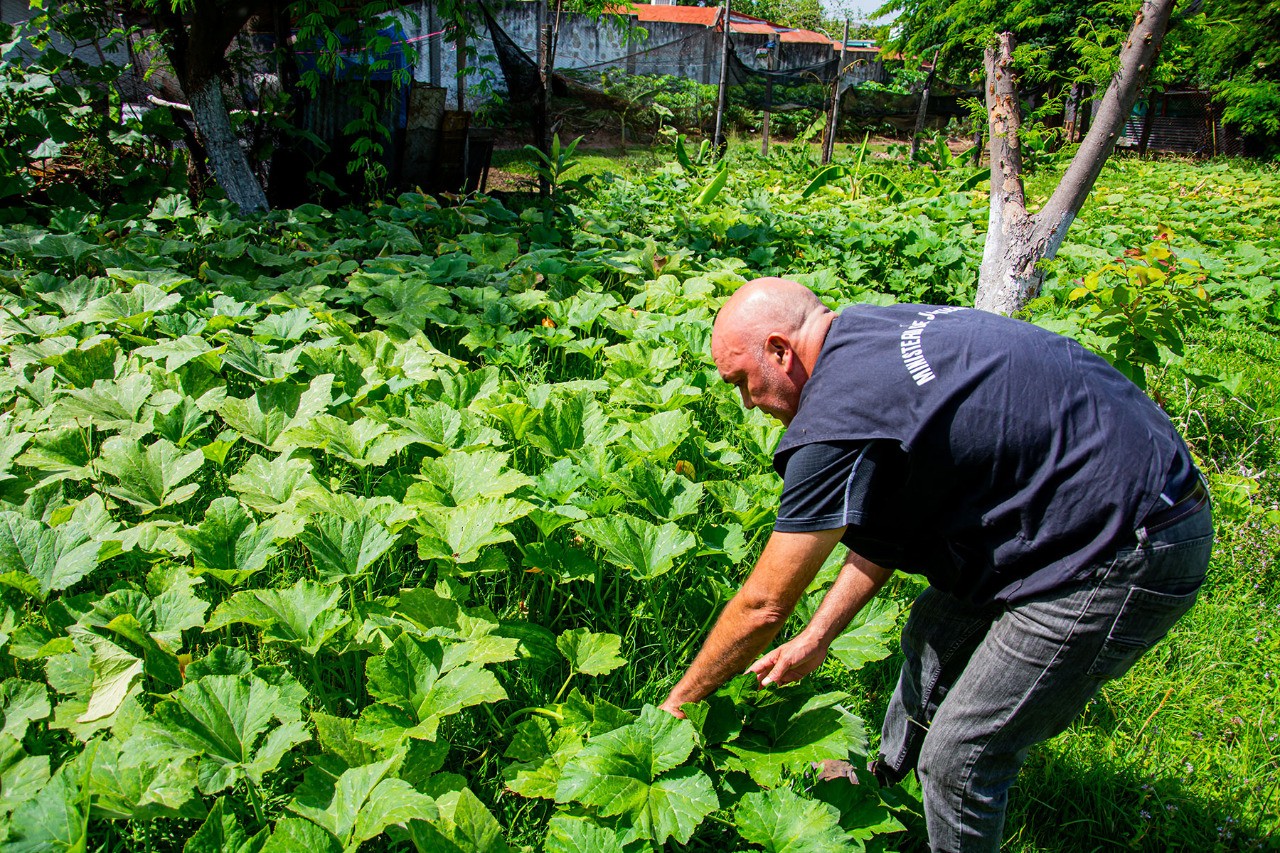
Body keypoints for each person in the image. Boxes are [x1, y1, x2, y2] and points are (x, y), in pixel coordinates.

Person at [658, 278, 1212, 853]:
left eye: (742, 383)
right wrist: (820, 635)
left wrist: (678, 707)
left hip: (1124, 547)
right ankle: (883, 795)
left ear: (779, 350)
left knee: (962, 758)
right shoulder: (866, 334)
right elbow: (897, 524)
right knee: (932, 635)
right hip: (1087, 493)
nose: (747, 403)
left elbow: (764, 606)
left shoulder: (838, 416)